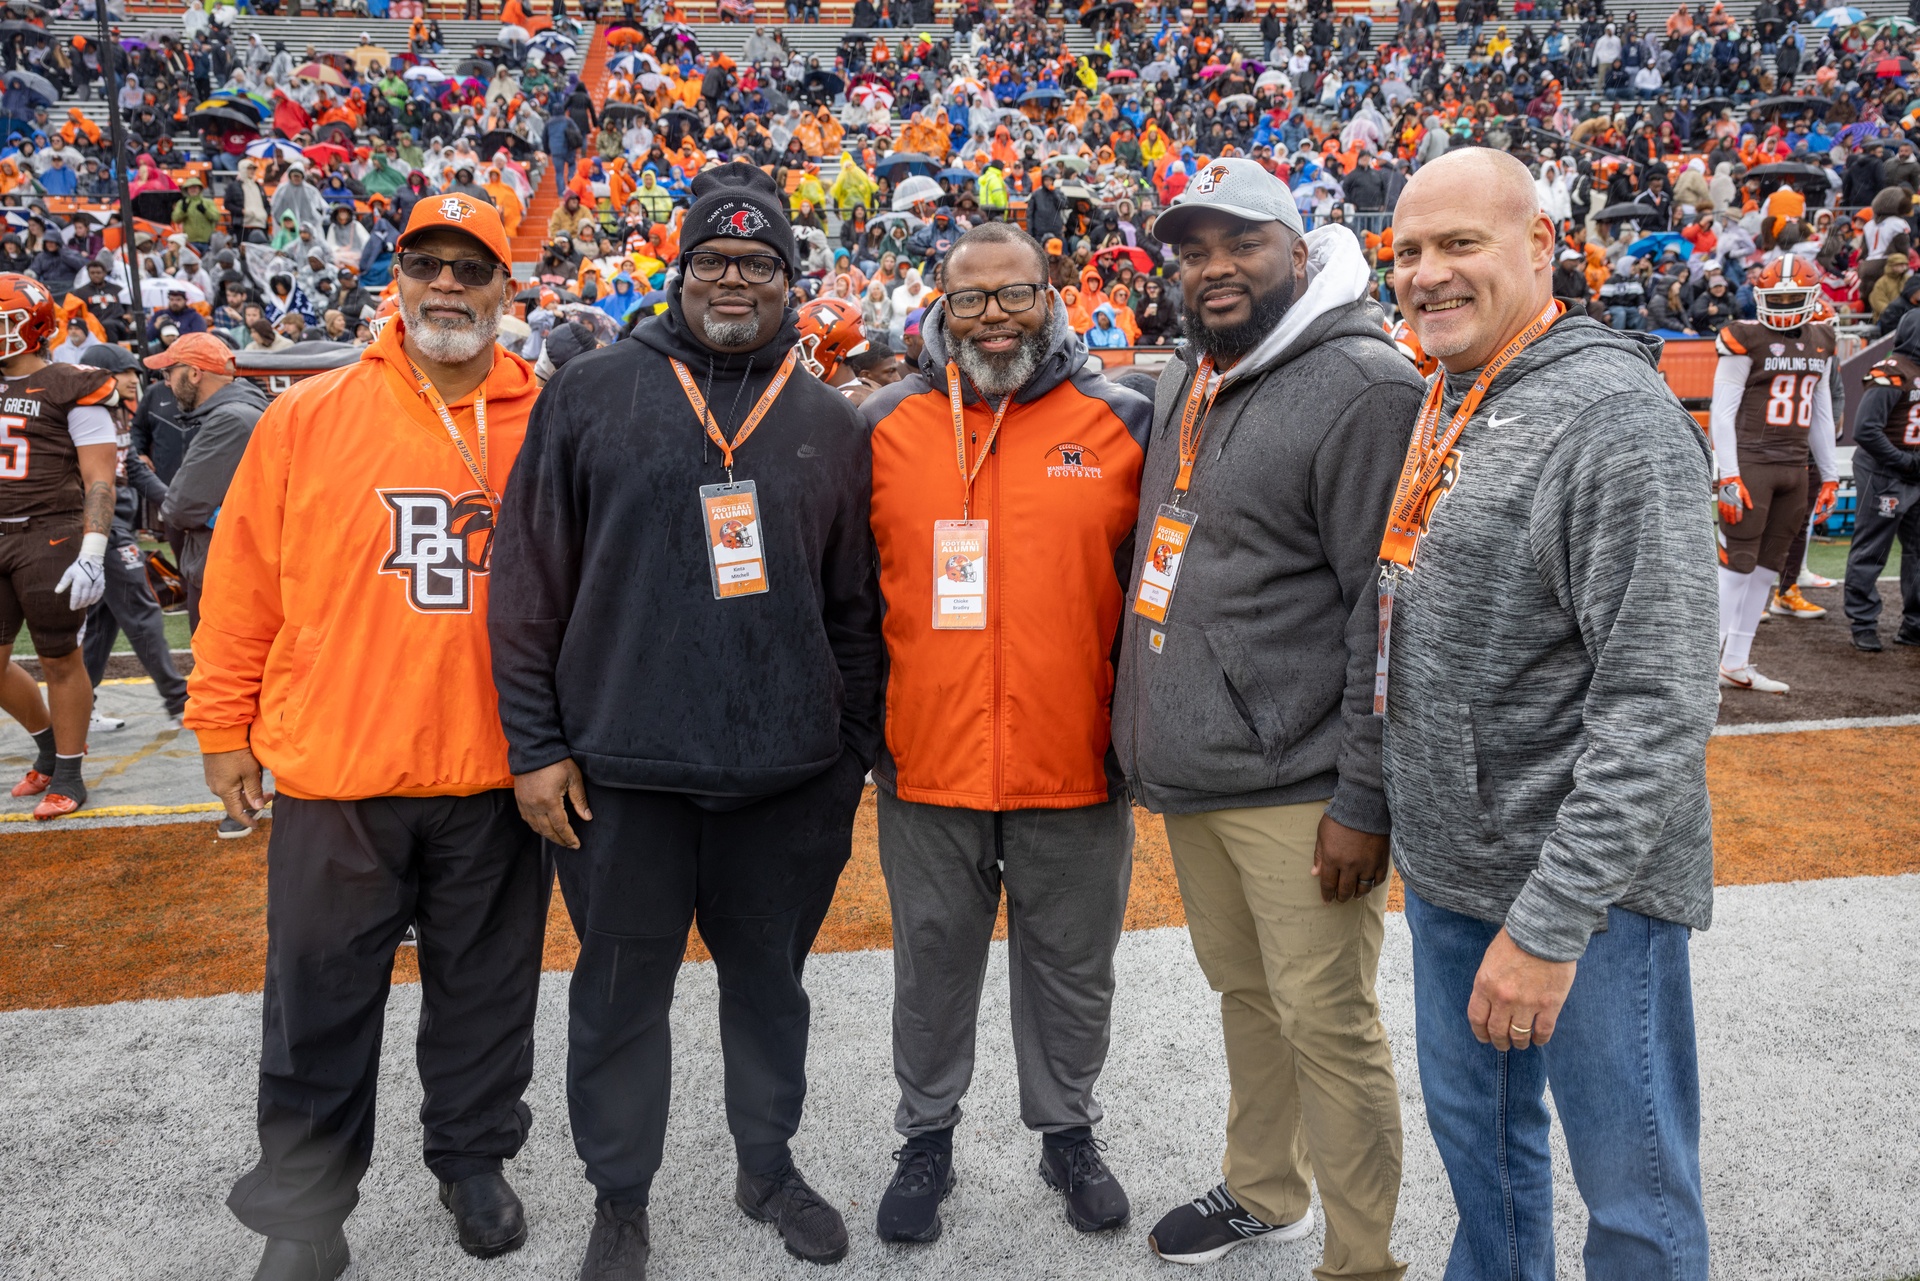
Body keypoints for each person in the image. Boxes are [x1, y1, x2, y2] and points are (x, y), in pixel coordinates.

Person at [488, 161, 882, 1280]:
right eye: (713, 258)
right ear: (679, 273)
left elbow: (857, 608)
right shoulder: (594, 390)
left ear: (792, 282)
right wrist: (537, 746)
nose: (734, 279)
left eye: (760, 264)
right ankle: (622, 1197)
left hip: (787, 783)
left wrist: (843, 754)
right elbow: (526, 581)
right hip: (621, 778)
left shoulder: (826, 419)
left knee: (772, 992)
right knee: (617, 998)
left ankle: (767, 1166)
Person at [188, 193, 550, 1281]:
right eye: (427, 263)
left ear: (506, 288)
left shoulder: (552, 421)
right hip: (339, 765)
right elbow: (242, 579)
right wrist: (219, 724)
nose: (448, 284)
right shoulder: (309, 414)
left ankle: (473, 1159)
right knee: (317, 1004)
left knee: (487, 993)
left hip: (495, 771)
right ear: (396, 277)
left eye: (471, 268)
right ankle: (303, 1212)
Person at [1386, 147, 1714, 1281]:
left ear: (1541, 247)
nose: (1429, 273)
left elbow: (1660, 697)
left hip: (1586, 900)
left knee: (1634, 1196)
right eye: (1410, 251)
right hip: (1453, 867)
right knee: (1486, 1171)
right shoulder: (1454, 389)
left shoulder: (1613, 416)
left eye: (1460, 244)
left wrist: (1552, 921)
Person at [1110, 158, 1420, 1276]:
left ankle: (1363, 1259)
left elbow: (1383, 613)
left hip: (1301, 788)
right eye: (1193, 251)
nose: (1214, 268)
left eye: (1240, 242)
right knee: (1248, 998)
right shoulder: (1196, 375)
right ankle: (1263, 1187)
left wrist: (1363, 796)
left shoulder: (1364, 385)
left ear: (1300, 246)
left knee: (1329, 1023)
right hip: (1203, 774)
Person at [859, 222, 1150, 1244]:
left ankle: (1066, 1129)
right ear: (941, 304)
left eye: (1014, 294)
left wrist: (1135, 737)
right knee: (930, 963)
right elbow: (851, 597)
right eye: (971, 298)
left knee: (1074, 967)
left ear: (1052, 293)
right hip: (927, 764)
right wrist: (873, 735)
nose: (993, 317)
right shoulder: (885, 424)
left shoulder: (1122, 420)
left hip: (1074, 763)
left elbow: (1156, 598)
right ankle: (926, 1137)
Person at [0, 274, 119, 819]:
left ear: (35, 326)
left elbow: (99, 478)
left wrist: (93, 550)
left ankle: (69, 773)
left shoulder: (73, 382)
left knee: (59, 656)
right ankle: (49, 747)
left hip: (49, 533)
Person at [1708, 256, 1838, 692]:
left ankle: (1736, 662)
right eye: (1775, 297)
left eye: (1791, 297)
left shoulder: (1822, 339)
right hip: (1752, 466)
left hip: (1794, 468)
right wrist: (1728, 473)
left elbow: (1821, 414)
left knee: (1768, 568)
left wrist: (1832, 474)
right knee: (1736, 566)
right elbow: (1721, 414)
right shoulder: (1745, 338)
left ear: (1811, 297)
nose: (1782, 305)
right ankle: (1705, 669)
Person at [76, 343, 188, 732]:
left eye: (135, 374)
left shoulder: (120, 414)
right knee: (142, 607)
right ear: (99, 374)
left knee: (101, 621)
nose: (133, 380)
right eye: (125, 372)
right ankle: (179, 701)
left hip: (116, 520)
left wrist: (175, 502)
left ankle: (79, 707)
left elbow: (135, 471)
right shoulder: (82, 415)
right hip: (98, 523)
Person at [152, 332, 268, 637]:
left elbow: (179, 508)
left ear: (194, 373)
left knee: (216, 679)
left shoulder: (229, 420)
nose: (166, 382)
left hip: (226, 573)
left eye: (169, 372)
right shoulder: (238, 411)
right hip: (238, 570)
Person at [1843, 307, 1920, 651]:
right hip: (1884, 471)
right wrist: (1904, 461)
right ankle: (1863, 621)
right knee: (1873, 548)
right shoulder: (1890, 372)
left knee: (1918, 552)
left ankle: (1915, 624)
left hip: (1914, 470)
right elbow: (1865, 430)